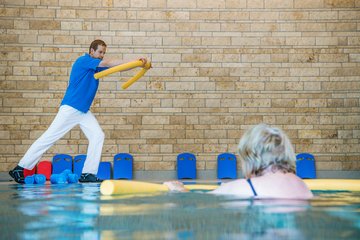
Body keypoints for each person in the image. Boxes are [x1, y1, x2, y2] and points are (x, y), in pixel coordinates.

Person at [9, 39, 148, 184]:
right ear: (91, 51)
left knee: (97, 135)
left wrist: (138, 64)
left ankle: (88, 173)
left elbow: (119, 67)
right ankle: (20, 168)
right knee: (48, 138)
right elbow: (108, 62)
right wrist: (136, 59)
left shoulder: (95, 66)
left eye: (104, 53)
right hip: (71, 108)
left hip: (82, 111)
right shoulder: (84, 61)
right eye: (100, 52)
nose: (102, 55)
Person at [164, 124, 313, 199]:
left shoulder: (244, 187)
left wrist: (179, 190)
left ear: (250, 155)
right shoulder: (300, 184)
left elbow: (199, 200)